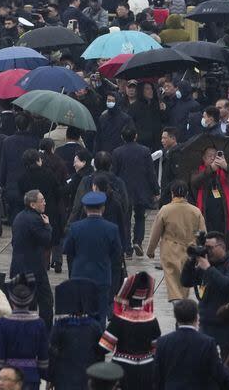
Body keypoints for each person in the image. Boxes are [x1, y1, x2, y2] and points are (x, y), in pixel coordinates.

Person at [179, 231, 229, 359]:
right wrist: (191, 261)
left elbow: (227, 285)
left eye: (210, 248)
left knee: (225, 364)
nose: (207, 251)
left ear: (222, 247)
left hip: (225, 326)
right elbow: (186, 281)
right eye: (205, 247)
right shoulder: (206, 266)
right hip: (205, 324)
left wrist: (208, 268)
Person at [64, 191, 123, 320]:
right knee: (100, 316)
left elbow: (67, 250)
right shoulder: (112, 229)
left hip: (79, 276)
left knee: (79, 315)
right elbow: (117, 256)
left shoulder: (75, 227)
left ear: (85, 208)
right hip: (102, 277)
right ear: (103, 208)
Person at [152, 299, 229, 390]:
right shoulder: (207, 343)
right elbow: (219, 373)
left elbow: (157, 377)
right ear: (197, 317)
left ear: (176, 317)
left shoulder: (163, 342)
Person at [100, 271, 162, 390]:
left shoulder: (119, 320)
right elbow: (156, 349)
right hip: (146, 368)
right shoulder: (152, 320)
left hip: (122, 368)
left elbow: (104, 347)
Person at [146, 180, 207, 301]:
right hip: (190, 250)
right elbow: (203, 233)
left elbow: (156, 232)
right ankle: (182, 304)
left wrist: (150, 250)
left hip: (170, 250)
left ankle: (178, 305)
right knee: (185, 282)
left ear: (172, 193)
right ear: (187, 193)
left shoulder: (165, 210)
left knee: (172, 281)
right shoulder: (195, 211)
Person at [0, 274, 49, 390]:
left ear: (11, 300)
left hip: (8, 378)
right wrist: (45, 375)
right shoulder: (39, 323)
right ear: (30, 300)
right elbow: (43, 355)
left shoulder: (4, 323)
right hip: (31, 376)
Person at [112, 126, 159, 257]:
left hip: (123, 191)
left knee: (125, 219)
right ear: (136, 136)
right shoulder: (144, 151)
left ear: (122, 137)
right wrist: (155, 190)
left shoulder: (117, 152)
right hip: (141, 190)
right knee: (140, 217)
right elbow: (151, 172)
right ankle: (138, 241)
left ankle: (127, 247)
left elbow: (113, 173)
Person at [10, 189, 53, 328]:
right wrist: (47, 226)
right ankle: (44, 332)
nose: (45, 203)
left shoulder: (19, 216)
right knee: (45, 301)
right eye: (42, 201)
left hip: (18, 266)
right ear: (33, 205)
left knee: (24, 305)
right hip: (33, 268)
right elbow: (46, 240)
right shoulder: (36, 219)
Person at [190, 147, 229, 242]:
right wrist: (210, 169)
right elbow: (195, 182)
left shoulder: (223, 170)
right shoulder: (199, 170)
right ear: (204, 158)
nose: (213, 158)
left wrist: (226, 167)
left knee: (222, 242)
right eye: (210, 156)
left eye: (215, 155)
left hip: (223, 215)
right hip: (205, 214)